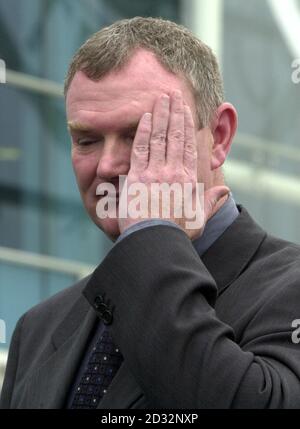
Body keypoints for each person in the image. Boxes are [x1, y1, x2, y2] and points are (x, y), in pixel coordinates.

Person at [1, 17, 300, 409]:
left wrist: (150, 233)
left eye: (138, 135)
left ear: (219, 137)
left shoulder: (288, 287)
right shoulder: (38, 329)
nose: (107, 165)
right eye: (86, 140)